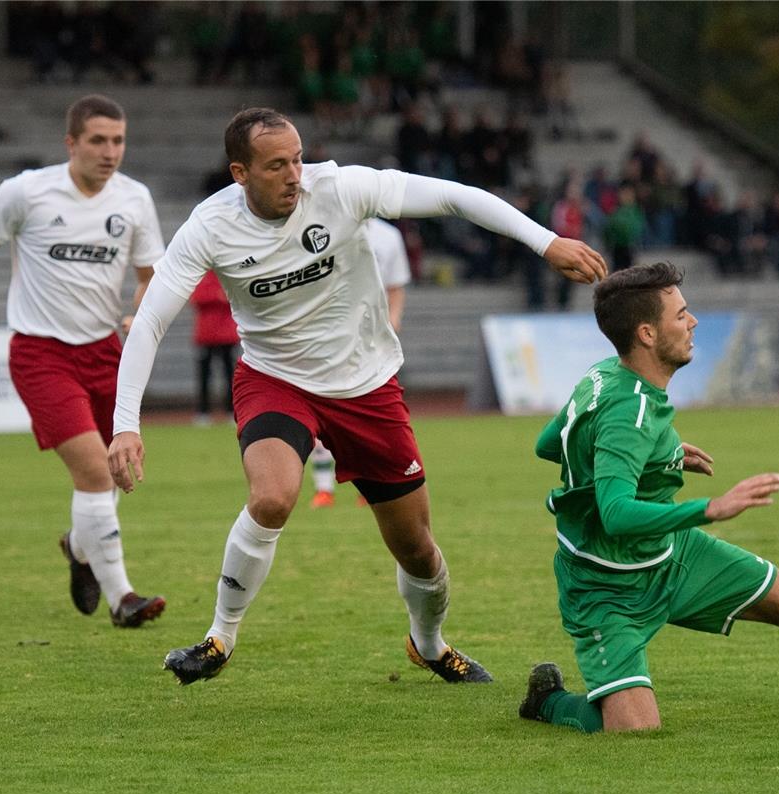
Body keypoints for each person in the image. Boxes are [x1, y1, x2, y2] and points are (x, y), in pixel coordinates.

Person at [106, 108, 606, 686]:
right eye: (277, 165)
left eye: (297, 158)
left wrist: (546, 243)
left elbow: (454, 197)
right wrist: (126, 424)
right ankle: (220, 637)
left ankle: (430, 643)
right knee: (272, 498)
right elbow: (148, 324)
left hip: (366, 385)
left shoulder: (341, 188)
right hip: (277, 379)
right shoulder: (209, 226)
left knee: (417, 548)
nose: (295, 173)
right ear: (240, 173)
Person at [519, 262, 779, 733]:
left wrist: (663, 457)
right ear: (648, 334)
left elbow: (549, 443)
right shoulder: (627, 409)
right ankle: (548, 701)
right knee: (634, 730)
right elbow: (614, 514)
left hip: (673, 557)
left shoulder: (606, 374)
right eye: (682, 315)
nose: (693, 323)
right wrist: (711, 508)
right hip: (604, 587)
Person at [0, 94, 167, 628]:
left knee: (114, 473)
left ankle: (79, 546)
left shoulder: (135, 199)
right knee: (97, 470)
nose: (110, 151)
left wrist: (136, 314)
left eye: (118, 140)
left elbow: (151, 277)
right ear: (70, 143)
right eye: (98, 140)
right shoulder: (25, 192)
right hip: (41, 354)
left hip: (104, 351)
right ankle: (123, 598)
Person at [309, 217, 411, 507]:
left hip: (373, 344)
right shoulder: (325, 227)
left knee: (370, 420)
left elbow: (396, 285)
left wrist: (393, 320)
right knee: (322, 416)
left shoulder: (388, 236)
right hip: (328, 339)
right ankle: (324, 487)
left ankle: (370, 487)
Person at [190, 270, 239, 425]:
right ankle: (203, 412)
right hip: (207, 334)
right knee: (204, 374)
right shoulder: (202, 274)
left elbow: (236, 297)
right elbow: (196, 297)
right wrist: (218, 295)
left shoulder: (228, 273)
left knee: (230, 375)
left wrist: (218, 296)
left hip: (227, 334)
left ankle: (232, 411)